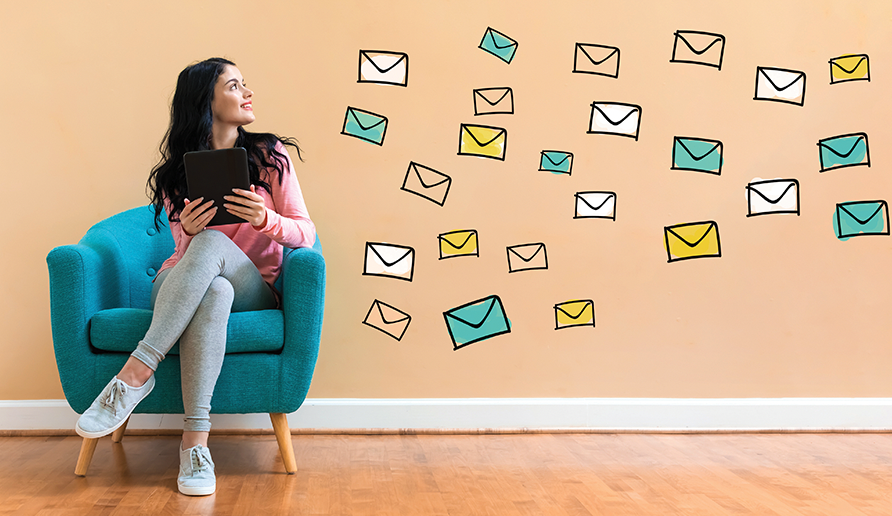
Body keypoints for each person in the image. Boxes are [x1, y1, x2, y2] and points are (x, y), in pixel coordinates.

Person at [74, 57, 316, 496]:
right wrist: (185, 230)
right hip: (184, 281)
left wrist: (266, 220)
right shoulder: (177, 173)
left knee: (216, 257)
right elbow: (181, 257)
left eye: (246, 85)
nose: (248, 93)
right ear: (207, 100)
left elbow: (305, 232)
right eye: (235, 85)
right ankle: (195, 445)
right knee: (214, 288)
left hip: (254, 288)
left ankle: (134, 375)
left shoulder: (270, 156)